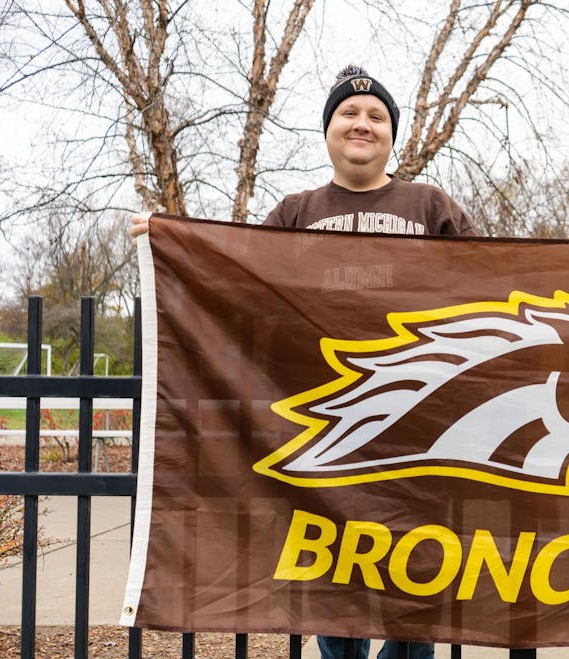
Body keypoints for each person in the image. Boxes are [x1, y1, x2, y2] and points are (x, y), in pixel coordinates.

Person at [133, 64, 476, 659]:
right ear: (327, 131)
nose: (362, 123)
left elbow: (493, 277)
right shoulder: (297, 210)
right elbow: (234, 277)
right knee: (335, 588)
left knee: (414, 591)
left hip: (420, 431)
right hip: (329, 427)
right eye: (349, 113)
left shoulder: (429, 204)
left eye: (376, 116)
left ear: (394, 134)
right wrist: (170, 241)